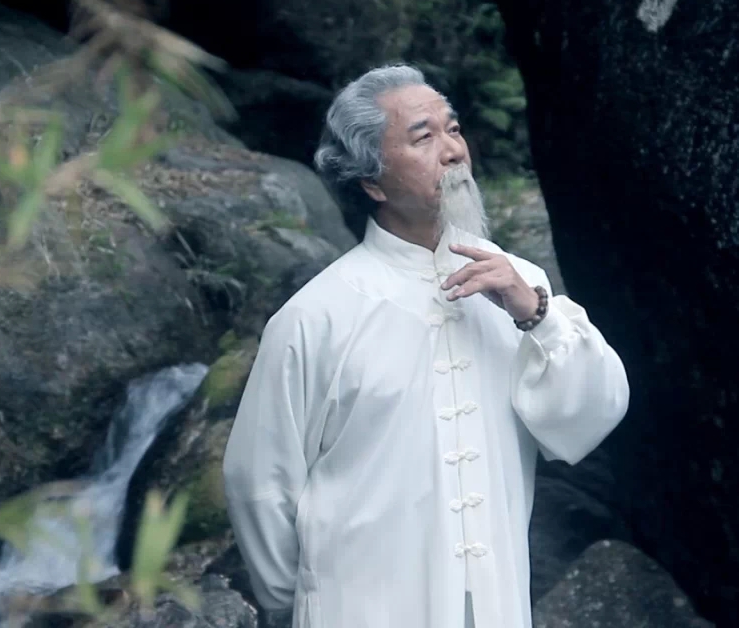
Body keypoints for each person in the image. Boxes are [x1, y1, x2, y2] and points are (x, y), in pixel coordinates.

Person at [220, 64, 630, 628]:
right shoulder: (314, 317)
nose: (453, 151)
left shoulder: (521, 285)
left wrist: (535, 314)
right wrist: (309, 599)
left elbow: (590, 416)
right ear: (372, 182)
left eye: (453, 129)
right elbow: (259, 482)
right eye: (423, 136)